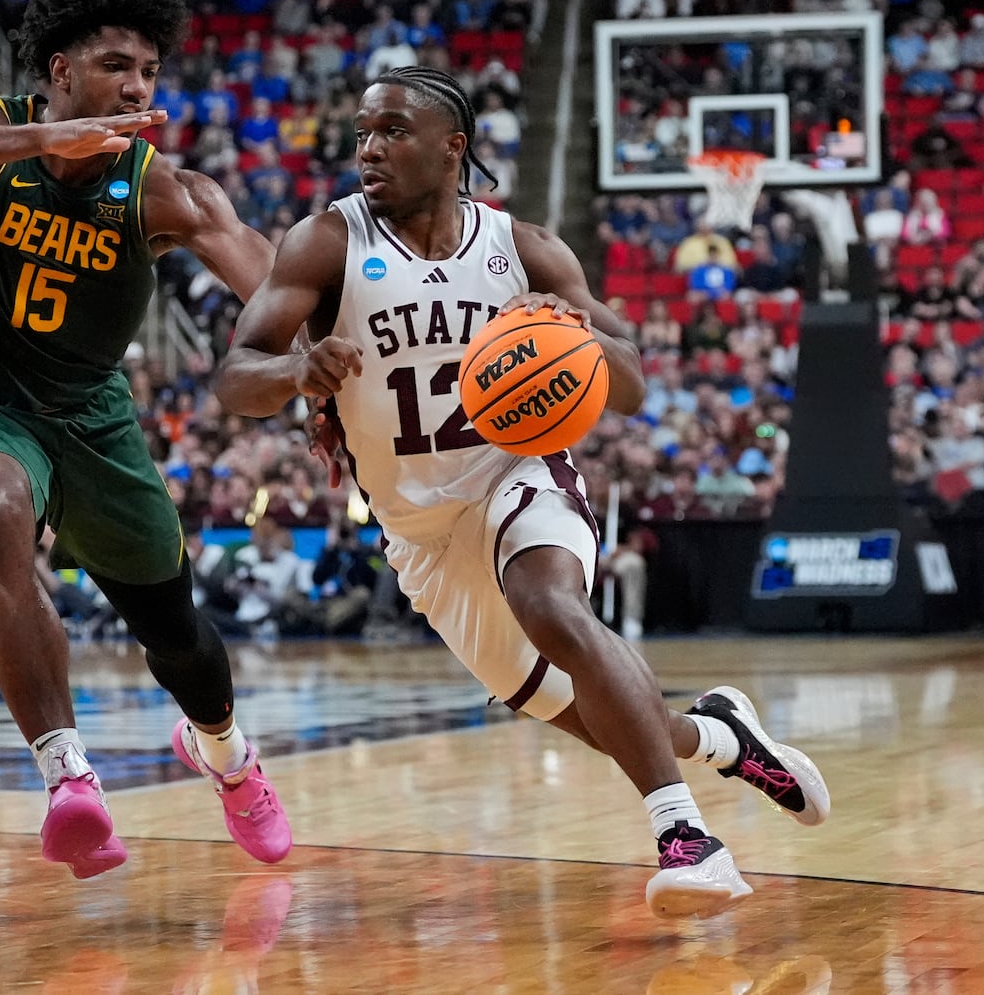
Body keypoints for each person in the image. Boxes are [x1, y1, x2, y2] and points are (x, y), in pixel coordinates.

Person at [213, 67, 829, 919]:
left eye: (392, 130)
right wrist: (292, 368)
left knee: (548, 600)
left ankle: (688, 840)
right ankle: (725, 737)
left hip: (518, 470)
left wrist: (577, 337)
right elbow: (233, 378)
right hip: (420, 533)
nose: (369, 148)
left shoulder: (524, 249)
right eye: (362, 132)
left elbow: (633, 383)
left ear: (451, 146)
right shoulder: (325, 242)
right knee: (583, 711)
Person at [0, 0, 290, 880]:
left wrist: (323, 369)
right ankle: (70, 779)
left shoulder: (164, 189)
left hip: (91, 417)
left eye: (147, 71)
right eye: (114, 66)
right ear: (58, 71)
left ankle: (226, 753)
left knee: (182, 643)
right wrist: (44, 144)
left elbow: (272, 287)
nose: (136, 87)